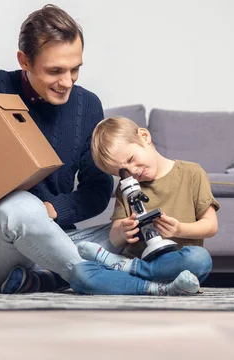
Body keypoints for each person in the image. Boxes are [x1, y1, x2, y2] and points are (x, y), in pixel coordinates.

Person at [0, 4, 200, 296]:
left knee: (139, 238)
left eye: (75, 70)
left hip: (60, 241)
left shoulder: (87, 105)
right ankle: (114, 275)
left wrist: (53, 210)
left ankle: (46, 279)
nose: (67, 82)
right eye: (55, 71)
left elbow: (96, 190)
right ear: (24, 61)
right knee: (18, 205)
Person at [70, 116, 219, 294]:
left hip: (176, 266)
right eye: (122, 172)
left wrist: (179, 230)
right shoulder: (126, 188)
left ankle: (132, 270)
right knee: (80, 274)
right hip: (139, 260)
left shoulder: (191, 173)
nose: (132, 171)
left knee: (200, 259)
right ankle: (159, 288)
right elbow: (115, 238)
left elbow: (211, 226)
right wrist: (123, 231)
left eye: (131, 159)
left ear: (144, 137)